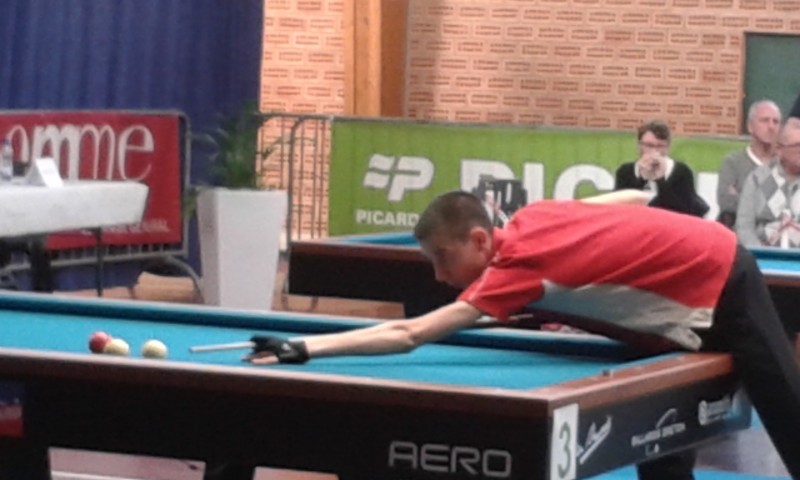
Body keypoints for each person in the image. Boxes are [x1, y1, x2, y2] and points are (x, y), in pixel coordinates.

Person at [249, 189, 800, 480]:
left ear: (480, 240)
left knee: (785, 407)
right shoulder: (532, 215)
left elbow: (410, 333)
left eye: (443, 258)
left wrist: (306, 346)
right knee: (664, 442)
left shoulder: (513, 272)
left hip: (722, 275)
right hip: (693, 282)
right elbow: (633, 197)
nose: (439, 275)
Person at [614, 119, 708, 217]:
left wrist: (661, 180)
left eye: (660, 146)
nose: (654, 151)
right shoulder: (625, 171)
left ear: (667, 147)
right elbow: (621, 207)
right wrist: (642, 179)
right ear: (639, 145)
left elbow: (685, 210)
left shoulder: (681, 172)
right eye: (649, 145)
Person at [717, 100, 782, 228]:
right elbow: (726, 203)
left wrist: (743, 198)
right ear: (750, 126)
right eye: (764, 120)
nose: (771, 126)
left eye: (776, 122)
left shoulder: (788, 166)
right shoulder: (732, 163)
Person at [736, 122, 800, 248]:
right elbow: (744, 226)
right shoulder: (757, 178)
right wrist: (758, 254)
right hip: (763, 253)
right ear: (780, 149)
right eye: (797, 146)